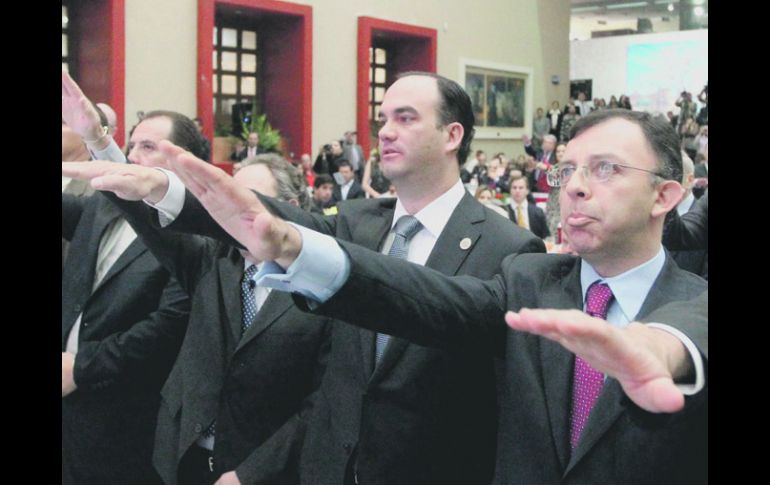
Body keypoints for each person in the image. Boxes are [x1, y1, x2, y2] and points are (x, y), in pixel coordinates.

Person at [158, 108, 708, 485]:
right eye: (568, 170)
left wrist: (659, 350)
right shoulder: (527, 279)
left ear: (665, 195)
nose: (576, 186)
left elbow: (686, 331)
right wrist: (295, 246)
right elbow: (418, 294)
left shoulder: (692, 304)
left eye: (606, 169)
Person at [87, 71, 546, 485]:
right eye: (382, 119)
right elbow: (270, 221)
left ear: (453, 135)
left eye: (405, 118)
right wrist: (163, 188)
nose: (385, 131)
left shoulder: (507, 247)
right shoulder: (356, 223)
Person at [61, 70, 192, 485]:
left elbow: (166, 328)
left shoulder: (191, 238)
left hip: (125, 417)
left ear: (184, 161)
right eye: (131, 144)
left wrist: (80, 368)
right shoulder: (100, 207)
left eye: (147, 147)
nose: (132, 155)